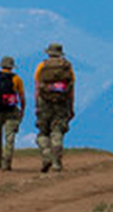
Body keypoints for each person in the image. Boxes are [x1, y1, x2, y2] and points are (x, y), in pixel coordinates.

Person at [32, 43, 77, 172]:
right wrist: (71, 107)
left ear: (48, 53)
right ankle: (57, 163)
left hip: (44, 103)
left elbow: (37, 88)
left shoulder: (42, 66)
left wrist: (37, 106)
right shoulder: (67, 67)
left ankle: (46, 155)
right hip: (62, 103)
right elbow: (71, 89)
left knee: (43, 133)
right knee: (57, 131)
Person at [0, 57, 27, 171]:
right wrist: (22, 109)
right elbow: (21, 96)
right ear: (12, 67)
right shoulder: (17, 79)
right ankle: (6, 162)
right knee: (10, 137)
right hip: (11, 110)